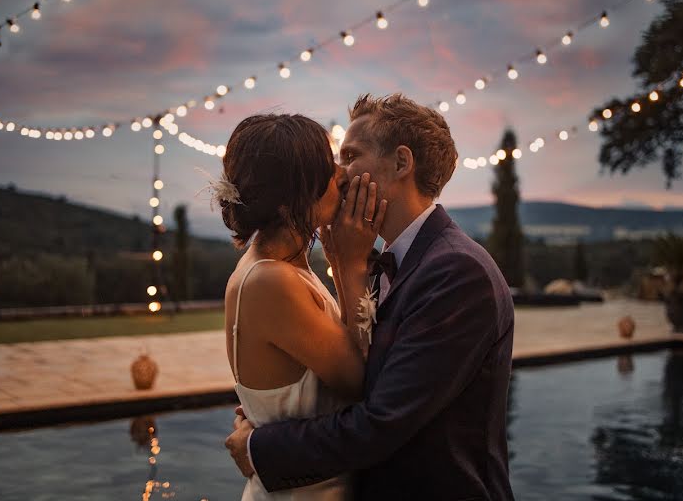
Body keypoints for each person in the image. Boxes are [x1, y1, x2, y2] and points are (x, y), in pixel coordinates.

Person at [225, 94, 515, 500]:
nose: (339, 174)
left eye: (350, 155)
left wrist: (261, 448)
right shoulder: (383, 260)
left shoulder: (456, 272)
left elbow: (381, 420)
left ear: (400, 163)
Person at [217, 113, 386, 500]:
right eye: (326, 171)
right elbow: (360, 384)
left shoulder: (286, 268)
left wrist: (341, 263)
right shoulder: (269, 280)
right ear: (286, 200)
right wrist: (352, 264)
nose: (342, 175)